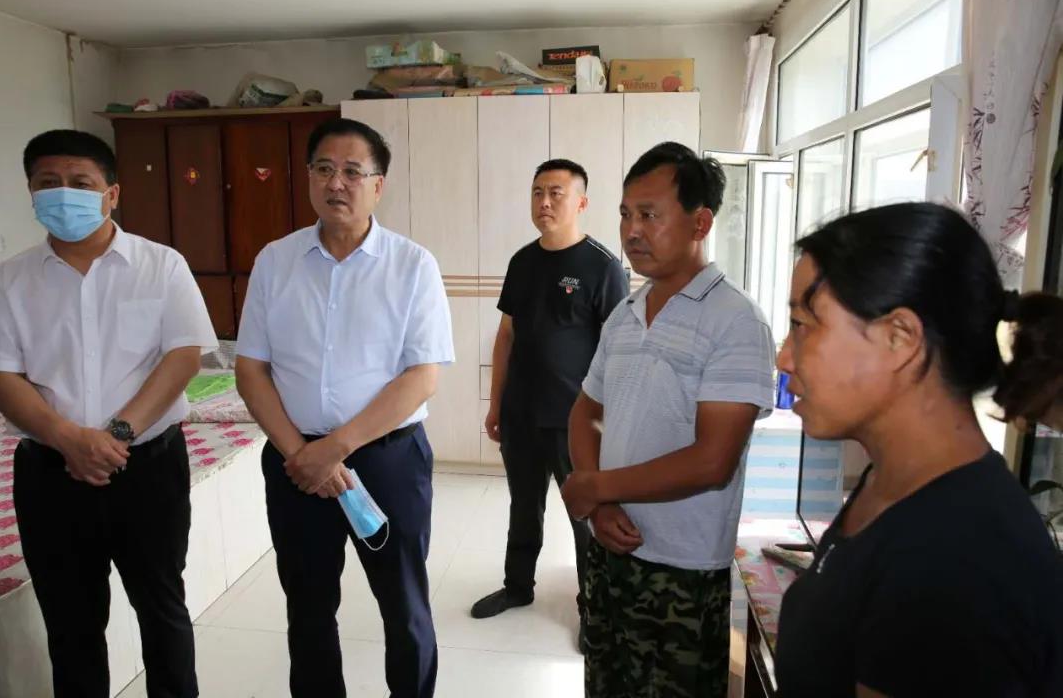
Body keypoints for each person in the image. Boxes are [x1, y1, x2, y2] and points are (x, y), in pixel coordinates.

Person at [773, 202, 1063, 697]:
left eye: (802, 324)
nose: (784, 358)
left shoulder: (955, 561)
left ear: (900, 338)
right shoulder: (894, 481)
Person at [0, 129, 217, 698]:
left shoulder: (161, 266)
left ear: (112, 193)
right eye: (49, 182)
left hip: (149, 468)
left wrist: (115, 435)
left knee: (162, 609)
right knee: (71, 624)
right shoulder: (7, 281)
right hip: (50, 474)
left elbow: (183, 356)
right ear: (31, 192)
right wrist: (68, 439)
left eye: (81, 183)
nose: (64, 193)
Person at [235, 117, 454, 698]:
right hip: (295, 463)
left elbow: (422, 376)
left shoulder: (412, 265)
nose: (337, 183)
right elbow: (250, 369)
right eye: (324, 169)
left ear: (378, 185)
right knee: (307, 606)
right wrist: (302, 453)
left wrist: (335, 448)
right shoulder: (275, 261)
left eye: (353, 172)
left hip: (388, 461)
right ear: (308, 177)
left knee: (403, 602)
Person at [561, 142, 776, 697]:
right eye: (625, 214)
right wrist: (601, 504)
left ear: (700, 222)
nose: (632, 231)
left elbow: (712, 461)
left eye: (649, 215)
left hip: (683, 569)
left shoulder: (737, 322)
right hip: (611, 551)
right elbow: (585, 411)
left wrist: (595, 487)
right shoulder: (625, 315)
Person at [470, 159, 628, 647]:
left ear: (581, 202)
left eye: (556, 193)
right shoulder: (522, 261)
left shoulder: (603, 267)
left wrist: (609, 422)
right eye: (537, 192)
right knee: (524, 505)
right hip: (520, 414)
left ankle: (593, 607)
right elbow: (506, 337)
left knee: (584, 516)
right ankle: (518, 586)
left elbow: (618, 352)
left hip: (575, 420)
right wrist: (496, 404)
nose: (544, 202)